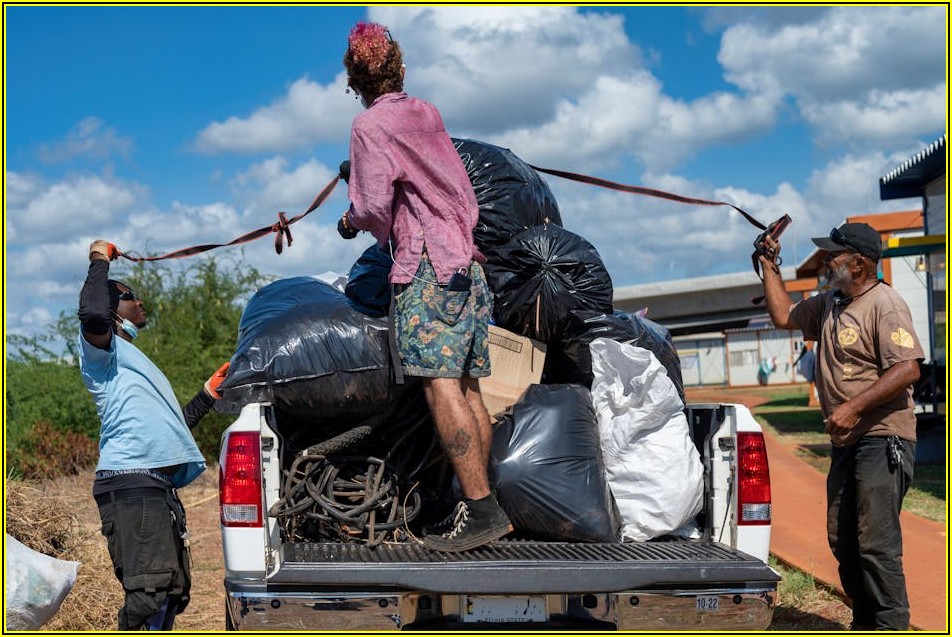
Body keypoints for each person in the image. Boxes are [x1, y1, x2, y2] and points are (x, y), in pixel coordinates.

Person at [336, 22, 511, 552]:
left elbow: (371, 207)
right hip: (468, 266)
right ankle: (488, 507)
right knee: (467, 387)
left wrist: (349, 220)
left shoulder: (368, 125)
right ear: (399, 67)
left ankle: (479, 511)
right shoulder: (426, 113)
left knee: (439, 385)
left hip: (429, 267)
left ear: (352, 78)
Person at [757, 222, 922, 630]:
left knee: (875, 542)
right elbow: (783, 316)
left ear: (860, 263)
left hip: (882, 436)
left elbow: (907, 368)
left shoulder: (886, 304)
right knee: (844, 541)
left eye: (835, 255)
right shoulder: (830, 302)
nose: (828, 261)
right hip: (848, 442)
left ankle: (889, 626)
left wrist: (853, 407)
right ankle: (865, 622)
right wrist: (768, 265)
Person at [78, 239, 229, 630]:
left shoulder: (136, 362)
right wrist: (99, 259)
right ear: (113, 312)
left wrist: (207, 395)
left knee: (171, 597)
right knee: (148, 597)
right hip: (130, 486)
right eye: (130, 297)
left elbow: (168, 430)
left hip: (156, 488)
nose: (140, 303)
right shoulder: (102, 354)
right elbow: (92, 312)